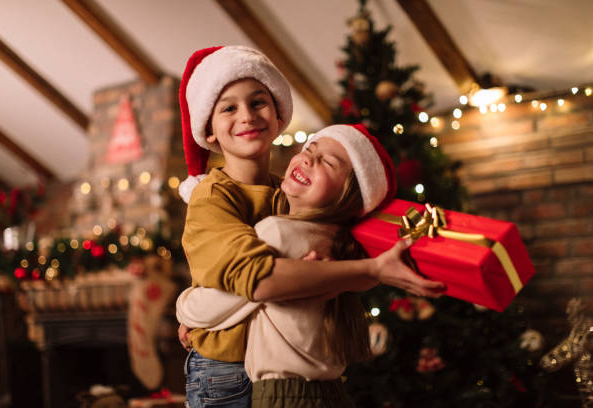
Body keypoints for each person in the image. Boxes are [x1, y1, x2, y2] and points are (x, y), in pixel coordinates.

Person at [177, 46, 445, 408]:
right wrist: (192, 309)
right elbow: (254, 277)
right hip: (224, 369)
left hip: (267, 367)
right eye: (229, 107)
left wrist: (196, 308)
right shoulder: (213, 196)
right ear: (208, 130)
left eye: (258, 102)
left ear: (278, 114)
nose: (247, 116)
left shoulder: (288, 193)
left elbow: (286, 285)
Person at [177, 124, 409, 407]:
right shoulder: (342, 243)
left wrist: (184, 304)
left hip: (284, 395)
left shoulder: (279, 232)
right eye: (309, 150)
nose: (309, 159)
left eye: (328, 162)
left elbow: (214, 306)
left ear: (348, 193)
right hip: (331, 391)